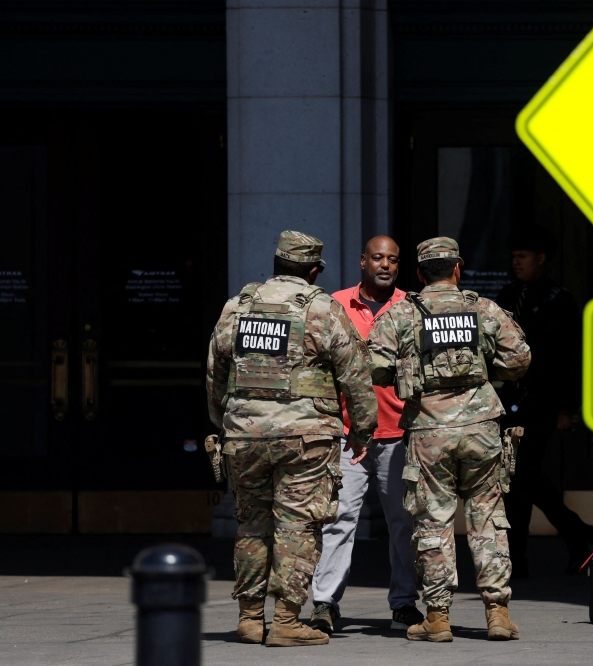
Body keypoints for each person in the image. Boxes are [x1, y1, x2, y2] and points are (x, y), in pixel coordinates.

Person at [206, 230, 378, 647]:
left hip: (243, 435)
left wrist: (225, 422)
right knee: (297, 524)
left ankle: (249, 618)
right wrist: (361, 431)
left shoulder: (239, 305)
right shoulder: (322, 308)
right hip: (305, 438)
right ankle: (286, 620)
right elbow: (355, 377)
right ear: (314, 270)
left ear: (277, 264)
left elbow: (215, 372)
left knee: (251, 523)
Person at [367, 237, 531, 642]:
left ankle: (437, 617)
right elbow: (519, 358)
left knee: (433, 522)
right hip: (481, 429)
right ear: (458, 268)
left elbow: (376, 368)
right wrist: (486, 371)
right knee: (488, 520)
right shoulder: (483, 308)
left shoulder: (403, 312)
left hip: (429, 430)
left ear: (420, 274)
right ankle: (498, 613)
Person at [311, 235, 423, 633]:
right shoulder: (335, 304)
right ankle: (324, 603)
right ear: (363, 261)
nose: (385, 265)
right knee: (339, 520)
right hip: (348, 434)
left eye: (393, 259)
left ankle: (405, 602)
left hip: (398, 433)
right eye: (377, 258)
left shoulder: (412, 306)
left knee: (403, 522)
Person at [495, 228, 593, 576]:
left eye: (523, 256)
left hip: (543, 400)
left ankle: (518, 559)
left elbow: (571, 358)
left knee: (522, 476)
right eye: (513, 256)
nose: (516, 262)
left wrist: (567, 407)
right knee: (520, 476)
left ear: (541, 259)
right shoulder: (506, 294)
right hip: (509, 399)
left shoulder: (559, 299)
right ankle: (577, 533)